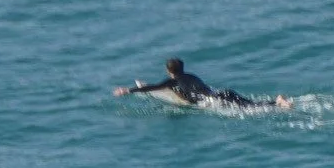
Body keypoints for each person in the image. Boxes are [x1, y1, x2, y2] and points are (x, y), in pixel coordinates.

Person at [115, 58, 288, 110]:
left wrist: (128, 90)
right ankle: (277, 101)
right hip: (223, 92)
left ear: (169, 72)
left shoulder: (171, 81)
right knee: (251, 105)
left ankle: (278, 103)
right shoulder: (191, 75)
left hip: (213, 102)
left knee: (249, 109)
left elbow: (152, 88)